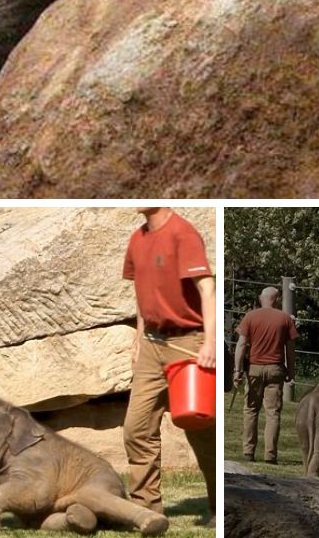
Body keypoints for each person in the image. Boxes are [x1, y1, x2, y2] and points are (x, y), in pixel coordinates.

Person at [122, 207, 215, 529]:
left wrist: (210, 342)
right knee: (136, 428)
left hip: (187, 342)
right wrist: (137, 339)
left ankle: (220, 503)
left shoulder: (182, 234)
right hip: (150, 344)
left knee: (199, 427)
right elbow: (141, 293)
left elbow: (207, 289)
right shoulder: (136, 239)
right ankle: (148, 511)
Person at [233, 286, 297, 465]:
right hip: (276, 369)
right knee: (273, 413)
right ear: (276, 299)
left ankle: (248, 452)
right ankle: (270, 455)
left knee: (251, 410)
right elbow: (290, 350)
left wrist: (237, 370)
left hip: (254, 369)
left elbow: (241, 345)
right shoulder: (285, 319)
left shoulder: (251, 316)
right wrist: (291, 370)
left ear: (263, 298)